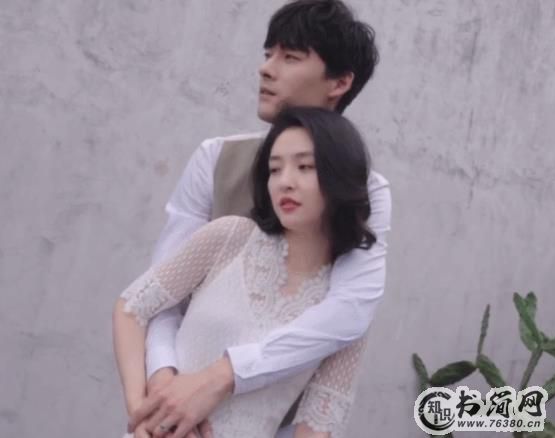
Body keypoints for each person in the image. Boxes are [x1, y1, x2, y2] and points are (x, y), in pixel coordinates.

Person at [126, 0, 391, 437]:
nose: (266, 69)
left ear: (340, 82)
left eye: (290, 57)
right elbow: (160, 295)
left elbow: (349, 311)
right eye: (268, 54)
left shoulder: (368, 192)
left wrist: (223, 377)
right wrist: (164, 388)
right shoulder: (216, 158)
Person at [114, 106, 377, 438]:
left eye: (304, 167)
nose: (285, 182)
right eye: (274, 169)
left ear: (340, 175)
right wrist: (141, 409)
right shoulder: (229, 237)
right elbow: (131, 308)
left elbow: (315, 428)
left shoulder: (346, 311)